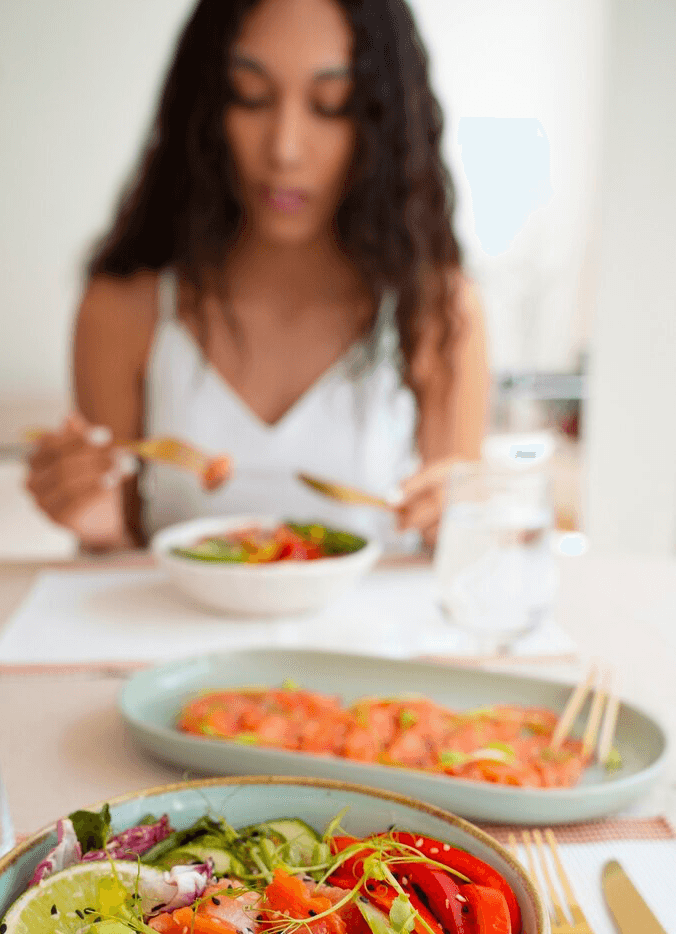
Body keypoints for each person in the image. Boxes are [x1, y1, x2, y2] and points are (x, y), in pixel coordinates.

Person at [27, 0, 489, 552]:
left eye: (330, 105)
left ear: (383, 124)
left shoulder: (436, 312)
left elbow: (459, 568)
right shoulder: (124, 310)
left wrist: (465, 521)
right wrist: (95, 525)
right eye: (251, 97)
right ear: (205, 108)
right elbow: (111, 569)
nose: (284, 149)